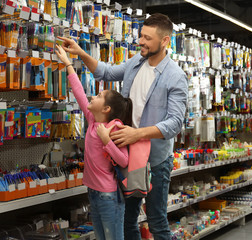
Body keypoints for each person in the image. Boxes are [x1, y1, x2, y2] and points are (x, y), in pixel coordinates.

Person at [58, 13, 188, 240]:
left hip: (156, 159)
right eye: (141, 36)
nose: (141, 42)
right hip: (127, 156)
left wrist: (136, 133)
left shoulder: (175, 76)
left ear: (165, 41)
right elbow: (106, 72)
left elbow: (175, 123)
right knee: (128, 222)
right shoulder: (136, 63)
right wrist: (80, 53)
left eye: (148, 38)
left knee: (157, 222)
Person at [55, 44, 133, 240]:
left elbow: (124, 161)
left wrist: (107, 141)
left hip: (109, 195)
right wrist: (68, 64)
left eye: (98, 96)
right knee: (100, 237)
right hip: (94, 192)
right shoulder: (92, 121)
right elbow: (80, 92)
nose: (92, 96)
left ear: (106, 108)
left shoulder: (114, 128)